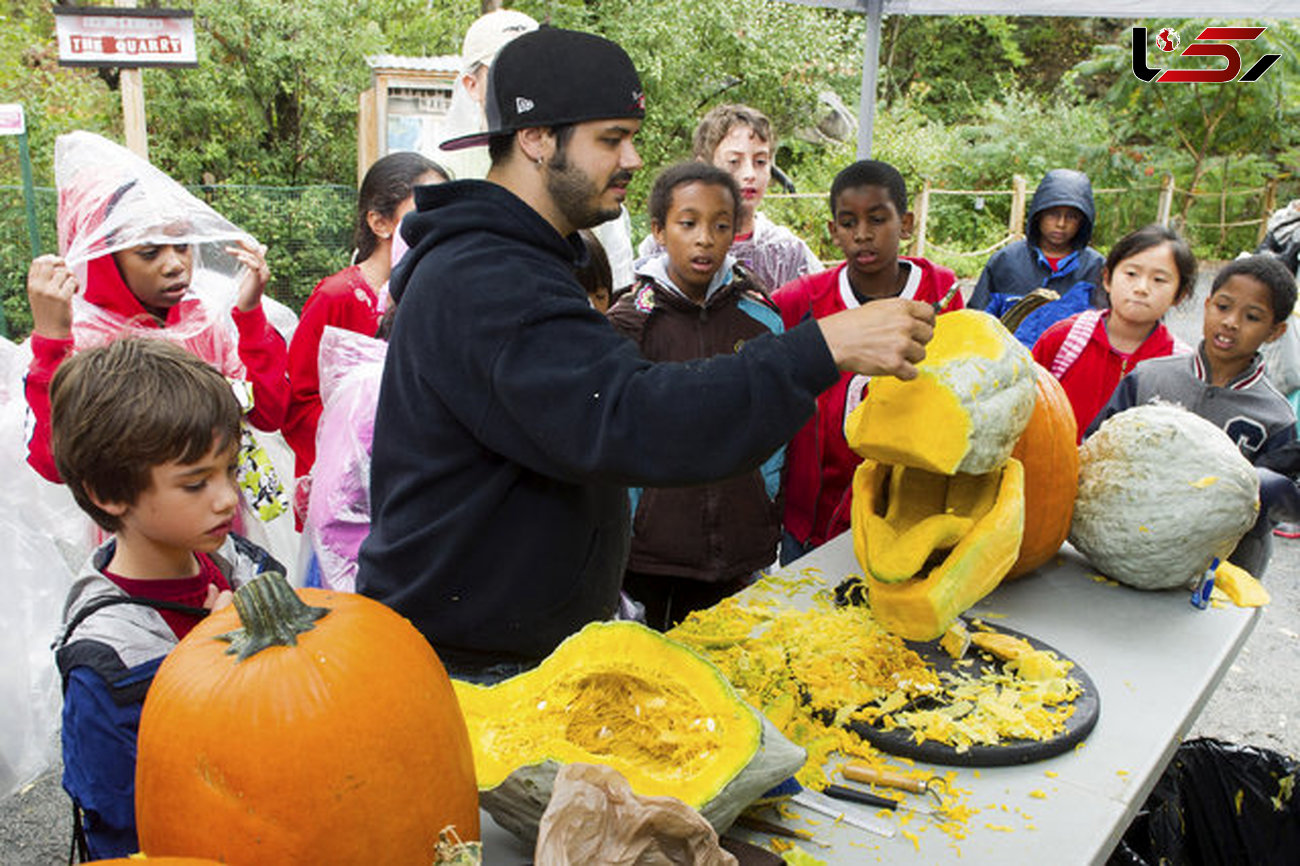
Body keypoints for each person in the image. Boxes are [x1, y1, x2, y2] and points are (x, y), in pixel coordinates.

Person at [355, 27, 934, 682]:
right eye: (611, 138)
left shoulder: (526, 263)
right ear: (536, 138)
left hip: (514, 652)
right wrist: (822, 346)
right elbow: (632, 416)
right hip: (466, 669)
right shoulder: (486, 280)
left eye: (631, 135)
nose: (632, 157)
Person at [50, 338, 281, 859]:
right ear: (109, 493)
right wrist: (212, 658)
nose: (227, 498)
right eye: (196, 484)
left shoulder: (242, 566)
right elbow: (122, 820)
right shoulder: (107, 662)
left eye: (229, 469)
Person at [23, 132, 288, 512]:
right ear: (105, 258)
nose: (175, 264)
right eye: (149, 252)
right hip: (142, 537)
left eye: (182, 245)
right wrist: (51, 345)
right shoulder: (85, 342)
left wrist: (250, 317)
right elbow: (55, 461)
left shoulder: (202, 321)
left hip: (220, 519)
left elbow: (268, 412)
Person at [607, 162, 783, 629]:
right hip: (651, 557)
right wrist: (631, 523)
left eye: (720, 225)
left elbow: (776, 430)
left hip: (740, 550)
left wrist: (763, 498)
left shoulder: (761, 320)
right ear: (659, 231)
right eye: (688, 223)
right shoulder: (630, 321)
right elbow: (613, 435)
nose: (705, 238)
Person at [771, 159, 962, 565]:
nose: (862, 234)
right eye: (848, 222)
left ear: (905, 223)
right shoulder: (803, 300)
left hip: (907, 510)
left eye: (877, 219)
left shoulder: (940, 292)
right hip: (812, 520)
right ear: (832, 231)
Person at [1088, 254, 1300, 575]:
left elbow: (1279, 502)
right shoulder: (1148, 378)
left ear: (1275, 331)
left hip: (1224, 569)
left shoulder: (1276, 415)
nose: (1231, 322)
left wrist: (1263, 491)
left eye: (1252, 317)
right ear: (1207, 304)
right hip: (1125, 552)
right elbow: (1094, 450)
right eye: (1223, 307)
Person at [283, 152, 446, 489]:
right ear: (379, 223)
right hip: (347, 487)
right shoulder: (335, 296)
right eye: (424, 213)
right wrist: (363, 439)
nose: (440, 224)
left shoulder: (441, 293)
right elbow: (299, 404)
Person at [1031, 224, 1196, 442]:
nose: (1142, 288)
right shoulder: (1063, 340)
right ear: (1107, 279)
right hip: (1051, 471)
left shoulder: (1181, 365)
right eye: (1131, 274)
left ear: (1179, 295)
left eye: (1159, 280)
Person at [638, 103, 823, 293]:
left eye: (760, 162)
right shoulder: (661, 246)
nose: (749, 174)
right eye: (734, 161)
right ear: (704, 167)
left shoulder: (786, 251)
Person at [968, 168, 1105, 322]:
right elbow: (977, 323)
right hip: (1010, 346)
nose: (1061, 224)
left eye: (1072, 217)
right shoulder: (1006, 261)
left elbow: (1108, 327)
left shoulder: (1097, 268)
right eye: (1053, 214)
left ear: (1083, 221)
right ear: (1039, 215)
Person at [436, 8, 539, 182]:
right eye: (506, 73)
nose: (523, 82)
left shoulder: (571, 155)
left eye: (535, 69)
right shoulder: (447, 173)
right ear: (472, 85)